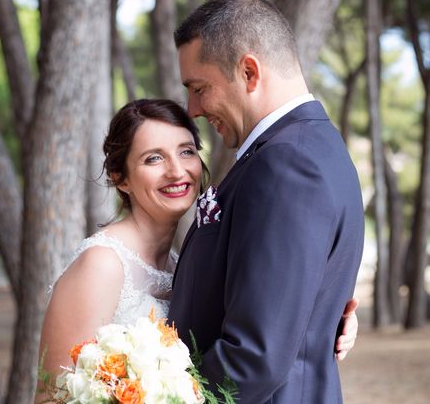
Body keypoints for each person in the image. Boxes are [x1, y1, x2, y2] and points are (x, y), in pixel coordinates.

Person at [37, 98, 359, 389]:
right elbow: (52, 395)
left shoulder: (182, 263)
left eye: (186, 151)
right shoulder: (102, 265)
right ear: (121, 178)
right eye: (153, 159)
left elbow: (265, 307)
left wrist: (332, 319)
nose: (177, 171)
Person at [169, 0, 365, 403]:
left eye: (199, 88)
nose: (193, 109)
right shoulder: (311, 147)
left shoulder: (287, 164)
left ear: (249, 73)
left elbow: (254, 358)